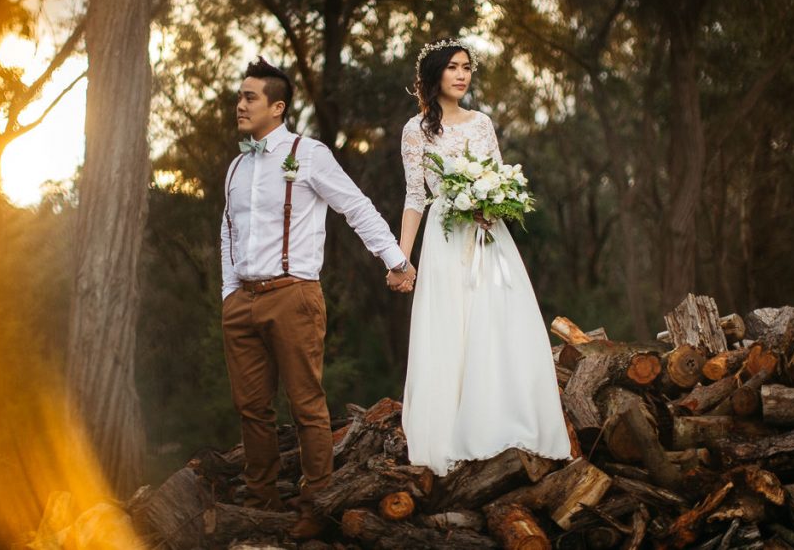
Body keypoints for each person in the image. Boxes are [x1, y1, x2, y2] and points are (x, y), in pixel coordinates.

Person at [220, 57, 415, 538]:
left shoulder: (309, 154)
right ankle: (261, 497)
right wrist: (228, 293)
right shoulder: (238, 165)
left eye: (250, 97)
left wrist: (396, 261)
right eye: (240, 96)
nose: (239, 105)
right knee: (251, 407)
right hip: (242, 301)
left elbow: (355, 206)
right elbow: (228, 232)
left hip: (294, 295)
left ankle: (318, 502)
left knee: (306, 406)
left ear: (277, 106)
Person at [396, 38, 572, 476]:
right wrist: (401, 259)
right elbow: (415, 197)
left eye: (467, 67)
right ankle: (450, 431)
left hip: (486, 233)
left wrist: (493, 203)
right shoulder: (415, 130)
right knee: (450, 326)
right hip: (444, 236)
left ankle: (504, 423)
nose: (462, 74)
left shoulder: (482, 123)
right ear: (435, 74)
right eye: (453, 66)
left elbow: (498, 178)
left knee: (497, 321)